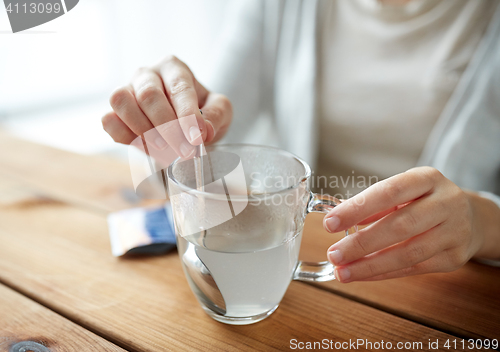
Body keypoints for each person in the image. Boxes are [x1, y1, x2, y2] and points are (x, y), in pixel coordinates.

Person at [102, 0, 500, 283]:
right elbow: (198, 160)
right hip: (303, 263)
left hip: (452, 285)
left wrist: (481, 222)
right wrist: (167, 128)